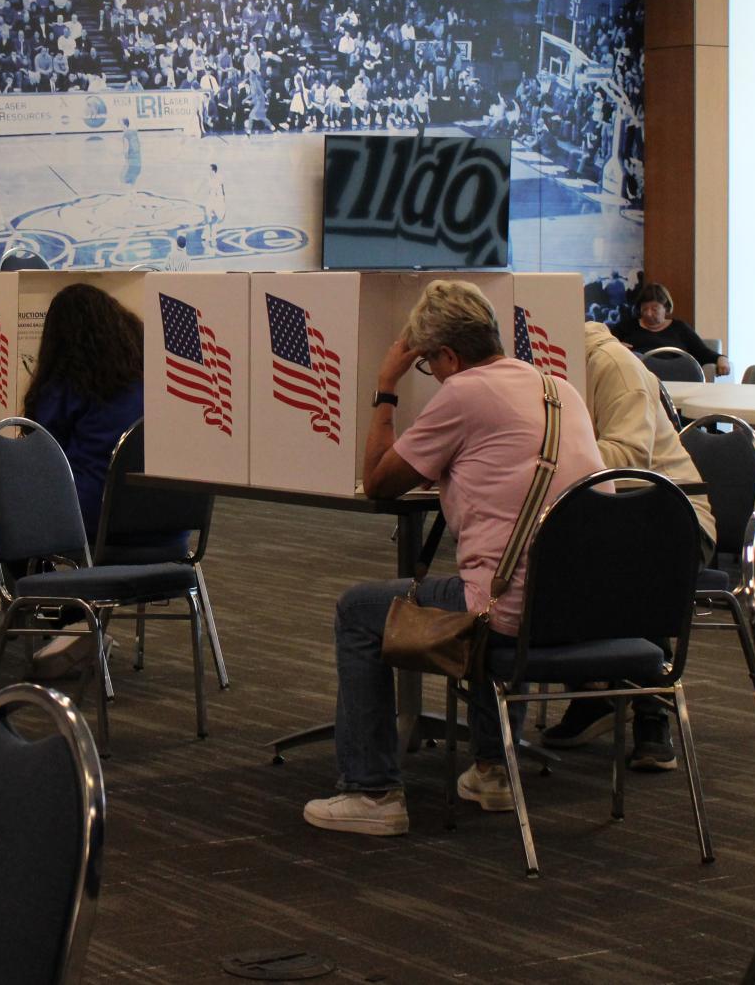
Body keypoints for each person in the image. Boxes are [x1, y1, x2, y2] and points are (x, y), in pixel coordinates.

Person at [304, 280, 604, 837]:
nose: (433, 377)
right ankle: (493, 767)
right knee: (499, 576)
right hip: (583, 608)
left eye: (429, 365)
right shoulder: (561, 389)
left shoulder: (465, 393)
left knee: (360, 610)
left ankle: (371, 793)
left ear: (446, 355)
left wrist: (387, 387)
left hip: (509, 612)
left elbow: (380, 481)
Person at [538, 323, 715, 770]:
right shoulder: (545, 365)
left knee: (628, 556)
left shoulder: (615, 366)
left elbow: (630, 458)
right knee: (536, 556)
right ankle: (590, 692)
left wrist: (548, 453)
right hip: (602, 512)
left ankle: (651, 710)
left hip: (676, 514)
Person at [20, 283, 178, 675]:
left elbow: (37, 449)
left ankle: (58, 616)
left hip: (93, 522)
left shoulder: (67, 387)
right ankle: (73, 619)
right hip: (172, 528)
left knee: (8, 511)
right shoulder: (160, 384)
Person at [613, 282, 728, 376]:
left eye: (654, 309)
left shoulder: (680, 328)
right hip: (638, 379)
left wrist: (721, 359)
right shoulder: (627, 327)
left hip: (676, 378)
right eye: (644, 309)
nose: (648, 313)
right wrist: (615, 346)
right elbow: (603, 343)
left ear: (666, 308)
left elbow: (702, 352)